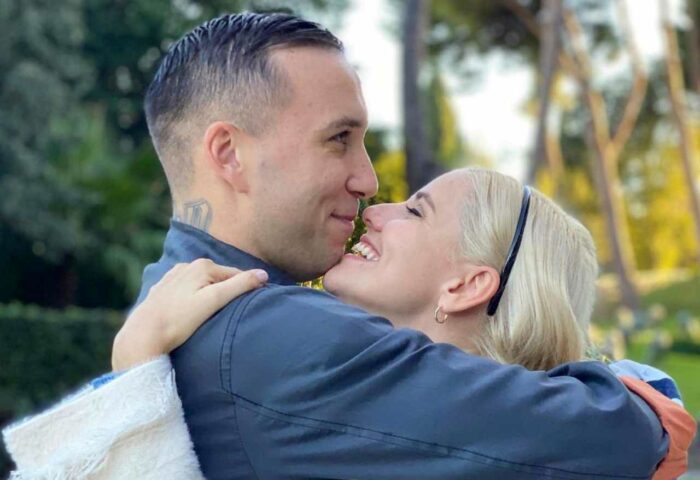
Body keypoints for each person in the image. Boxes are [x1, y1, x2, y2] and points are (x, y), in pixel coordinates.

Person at [3, 12, 696, 480]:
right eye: (339, 139)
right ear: (230, 155)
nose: (369, 182)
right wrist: (651, 390)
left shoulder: (177, 305)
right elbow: (614, 434)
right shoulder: (279, 337)